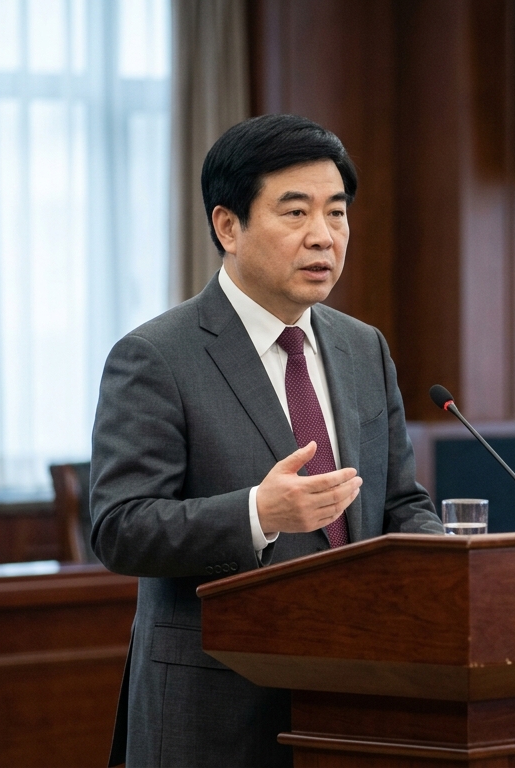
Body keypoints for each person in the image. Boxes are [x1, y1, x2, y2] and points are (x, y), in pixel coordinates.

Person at [90, 114, 443, 767]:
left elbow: (400, 503)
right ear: (229, 226)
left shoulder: (363, 348)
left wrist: (453, 568)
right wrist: (258, 514)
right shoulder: (155, 357)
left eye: (337, 214)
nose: (323, 237)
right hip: (216, 709)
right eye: (296, 213)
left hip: (359, 700)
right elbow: (120, 527)